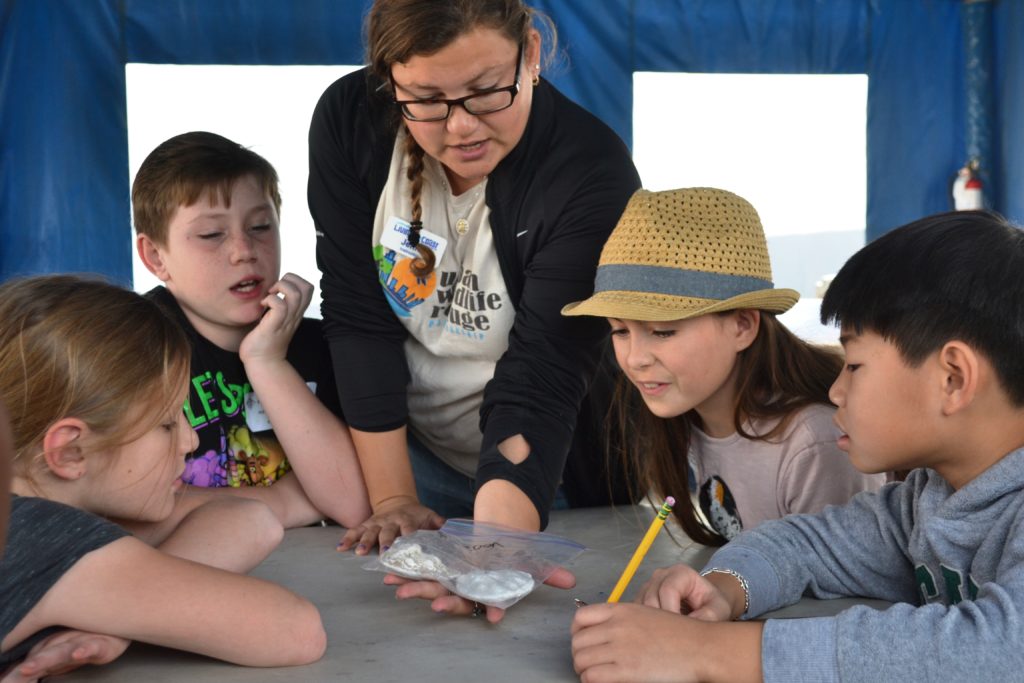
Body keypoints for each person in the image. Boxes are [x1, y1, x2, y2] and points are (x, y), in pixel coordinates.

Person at [570, 209, 1024, 682]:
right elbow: (806, 543)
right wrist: (724, 589)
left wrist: (707, 652)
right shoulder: (924, 503)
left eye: (855, 365)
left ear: (953, 378)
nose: (835, 391)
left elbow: (999, 650)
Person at [307, 0, 641, 594]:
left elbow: (544, 372)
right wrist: (393, 498)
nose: (460, 126)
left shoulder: (590, 170)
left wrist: (499, 551)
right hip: (403, 457)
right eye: (426, 100)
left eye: (487, 92)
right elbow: (357, 316)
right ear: (389, 82)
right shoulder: (349, 120)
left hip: (545, 476)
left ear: (530, 55)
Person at [0, 275, 326, 677]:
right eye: (166, 425)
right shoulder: (45, 539)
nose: (189, 441)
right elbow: (295, 630)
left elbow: (249, 520)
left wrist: (119, 615)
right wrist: (130, 612)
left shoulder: (28, 516)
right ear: (70, 450)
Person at [562, 187, 885, 546]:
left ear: (743, 326)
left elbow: (835, 588)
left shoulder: (813, 442)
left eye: (663, 332)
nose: (636, 358)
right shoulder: (690, 416)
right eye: (620, 331)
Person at [133, 131, 370, 530]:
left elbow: (351, 502)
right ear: (156, 257)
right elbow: (128, 510)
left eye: (260, 226)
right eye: (211, 234)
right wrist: (284, 500)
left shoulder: (325, 344)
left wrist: (266, 362)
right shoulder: (132, 347)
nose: (244, 249)